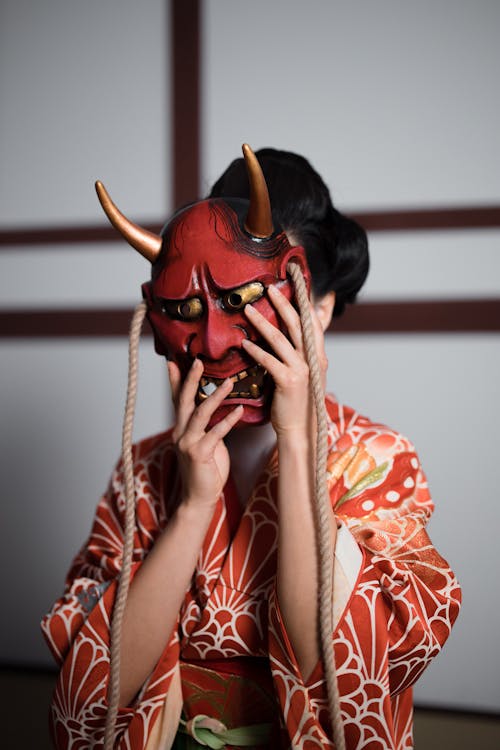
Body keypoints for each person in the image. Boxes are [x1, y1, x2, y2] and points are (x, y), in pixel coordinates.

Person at [42, 145, 461, 749]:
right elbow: (93, 694)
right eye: (199, 308)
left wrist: (296, 445)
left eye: (245, 303)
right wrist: (190, 507)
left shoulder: (375, 458)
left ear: (318, 310)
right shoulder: (147, 469)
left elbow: (347, 677)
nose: (218, 343)